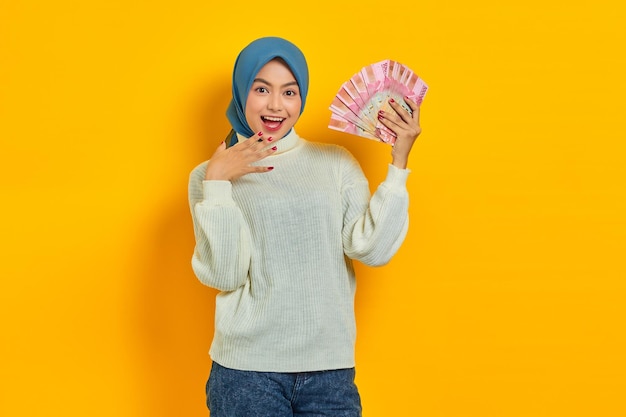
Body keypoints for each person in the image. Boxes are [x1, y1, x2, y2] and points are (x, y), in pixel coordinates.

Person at [188, 37, 422, 417]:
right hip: (247, 375)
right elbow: (224, 273)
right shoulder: (208, 175)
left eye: (289, 91)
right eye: (261, 88)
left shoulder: (334, 163)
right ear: (241, 90)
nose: (276, 105)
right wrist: (217, 183)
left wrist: (398, 164)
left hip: (330, 373)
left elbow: (372, 250)